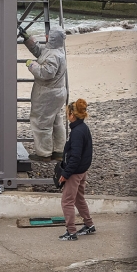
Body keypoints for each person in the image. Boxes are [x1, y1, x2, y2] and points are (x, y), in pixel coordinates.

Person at [19, 24, 68, 161]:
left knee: (41, 122)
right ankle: (59, 150)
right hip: (56, 93)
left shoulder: (53, 55)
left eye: (49, 35)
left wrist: (31, 65)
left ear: (52, 38)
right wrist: (29, 39)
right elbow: (40, 51)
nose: (46, 36)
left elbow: (46, 73)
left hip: (48, 95)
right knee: (56, 121)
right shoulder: (56, 51)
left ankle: (44, 153)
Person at [58, 98, 96, 241]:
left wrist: (66, 174)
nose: (67, 115)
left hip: (75, 172)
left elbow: (75, 157)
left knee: (67, 201)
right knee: (79, 198)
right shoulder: (83, 128)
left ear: (72, 115)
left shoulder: (76, 132)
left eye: (67, 113)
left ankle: (71, 232)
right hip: (82, 171)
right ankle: (89, 224)